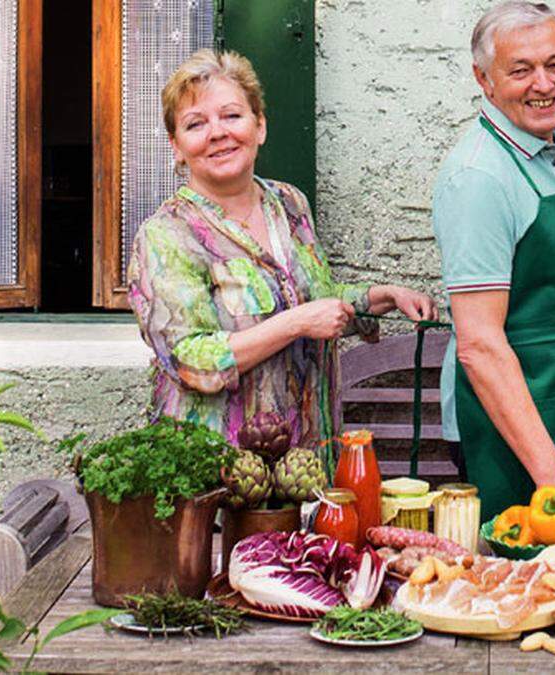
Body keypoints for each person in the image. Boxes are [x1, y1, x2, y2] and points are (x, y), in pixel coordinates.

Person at [129, 49, 436, 447]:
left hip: (306, 458)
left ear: (260, 126)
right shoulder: (166, 236)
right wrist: (297, 323)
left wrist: (383, 297)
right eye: (196, 124)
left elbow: (315, 299)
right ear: (176, 146)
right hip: (215, 472)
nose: (218, 132)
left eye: (232, 116)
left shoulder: (289, 203)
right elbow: (191, 361)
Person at [432, 2, 555, 520]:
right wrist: (554, 481)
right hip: (517, 436)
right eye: (521, 70)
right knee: (528, 589)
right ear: (484, 79)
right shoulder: (479, 178)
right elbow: (480, 346)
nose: (543, 84)